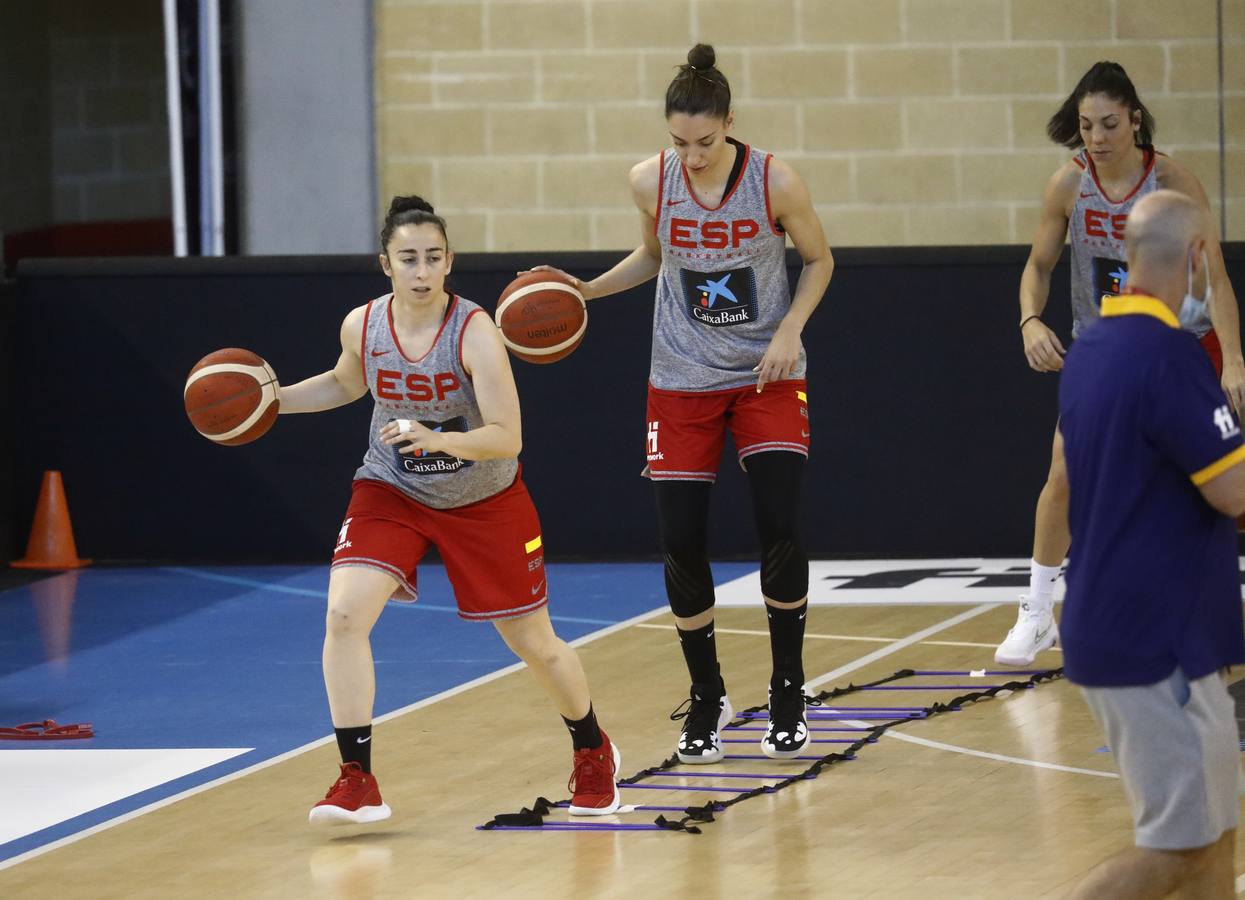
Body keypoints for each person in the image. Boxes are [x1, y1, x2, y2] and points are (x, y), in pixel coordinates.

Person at [278, 196, 620, 825]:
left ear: (449, 261)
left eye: (433, 258)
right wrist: (273, 402)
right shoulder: (364, 325)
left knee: (535, 644)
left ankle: (592, 747)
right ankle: (358, 779)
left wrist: (439, 439)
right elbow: (346, 382)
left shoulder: (476, 331)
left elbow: (507, 436)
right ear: (386, 264)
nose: (421, 270)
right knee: (345, 615)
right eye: (408, 259)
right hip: (392, 488)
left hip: (484, 498)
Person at [534, 44, 834, 762]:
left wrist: (790, 329)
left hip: (765, 372)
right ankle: (707, 696)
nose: (692, 156)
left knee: (778, 527)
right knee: (681, 542)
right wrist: (583, 291)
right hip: (680, 376)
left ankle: (788, 688)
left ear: (729, 123)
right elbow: (654, 257)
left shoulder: (774, 182)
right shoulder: (650, 181)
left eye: (704, 142)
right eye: (679, 142)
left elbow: (820, 259)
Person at [995, 61, 1245, 666]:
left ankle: (1204, 610)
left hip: (1181, 344)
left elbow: (1213, 277)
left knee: (1216, 483)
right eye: (1086, 125)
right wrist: (1030, 319)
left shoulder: (1173, 182)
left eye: (1108, 123)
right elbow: (1037, 267)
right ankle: (1035, 612)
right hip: (1104, 349)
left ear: (1135, 118)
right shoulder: (1068, 185)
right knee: (1063, 473)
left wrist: (1233, 359)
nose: (1097, 137)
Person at [1057, 189, 1245, 900]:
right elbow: (1232, 491)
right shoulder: (1166, 356)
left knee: (1213, 844)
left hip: (1139, 630)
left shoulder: (1092, 347)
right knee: (1174, 855)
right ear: (1197, 258)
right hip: (1153, 640)